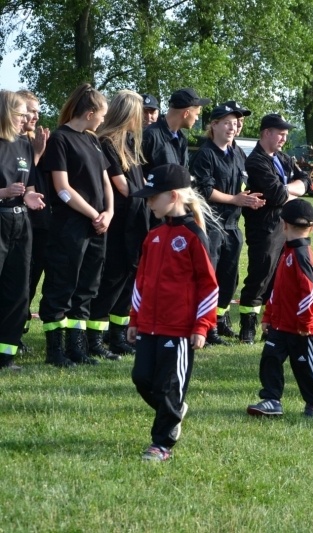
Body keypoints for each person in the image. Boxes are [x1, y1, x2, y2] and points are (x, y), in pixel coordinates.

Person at [127, 164, 218, 462]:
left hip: (178, 329)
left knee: (168, 386)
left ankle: (161, 444)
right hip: (149, 326)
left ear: (174, 196)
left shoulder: (193, 236)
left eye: (154, 197)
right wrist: (135, 319)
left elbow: (209, 284)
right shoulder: (153, 236)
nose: (149, 202)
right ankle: (174, 410)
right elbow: (141, 282)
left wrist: (202, 326)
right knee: (142, 378)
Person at [38, 83, 113, 367]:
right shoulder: (60, 139)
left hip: (97, 225)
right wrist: (94, 213)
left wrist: (108, 213)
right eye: (102, 115)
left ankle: (77, 348)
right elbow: (62, 187)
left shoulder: (93, 139)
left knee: (87, 287)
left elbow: (105, 181)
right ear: (90, 112)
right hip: (70, 225)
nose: (104, 120)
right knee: (62, 284)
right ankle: (55, 350)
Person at [190, 104, 265, 345]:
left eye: (235, 123)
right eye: (226, 122)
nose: (233, 127)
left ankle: (219, 322)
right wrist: (236, 199)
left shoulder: (237, 153)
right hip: (212, 224)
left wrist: (249, 198)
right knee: (209, 278)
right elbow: (203, 190)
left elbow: (243, 185)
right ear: (213, 125)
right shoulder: (205, 154)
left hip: (233, 225)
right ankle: (205, 328)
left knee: (229, 278)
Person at [246, 199, 313, 418]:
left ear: (283, 225)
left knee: (305, 365)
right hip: (280, 325)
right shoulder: (287, 252)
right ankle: (271, 399)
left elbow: (310, 292)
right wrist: (269, 315)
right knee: (270, 358)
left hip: (301, 327)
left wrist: (306, 324)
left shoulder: (301, 255)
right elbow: (278, 290)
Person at [87, 90, 151, 358]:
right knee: (112, 279)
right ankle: (94, 338)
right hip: (119, 223)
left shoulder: (129, 143)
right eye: (140, 113)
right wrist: (150, 193)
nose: (145, 118)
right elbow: (123, 187)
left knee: (129, 279)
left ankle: (118, 335)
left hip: (135, 220)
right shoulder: (108, 143)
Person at [239, 113, 310, 344]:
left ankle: (270, 324)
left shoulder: (284, 157)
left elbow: (306, 181)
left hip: (284, 225)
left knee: (279, 275)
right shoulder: (256, 161)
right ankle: (247, 327)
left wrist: (288, 189)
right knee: (261, 273)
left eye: (286, 134)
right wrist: (289, 191)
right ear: (266, 132)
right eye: (280, 133)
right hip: (264, 226)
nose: (284, 138)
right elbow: (277, 195)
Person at [0, 90, 46, 370]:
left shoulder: (24, 144)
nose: (26, 119)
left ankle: (6, 355)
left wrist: (29, 195)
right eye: (21, 114)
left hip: (20, 222)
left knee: (18, 291)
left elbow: (26, 182)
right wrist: (3, 192)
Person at [142, 88, 210, 174]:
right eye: (197, 114)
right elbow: (137, 176)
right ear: (186, 114)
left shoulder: (181, 139)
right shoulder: (149, 136)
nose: (197, 118)